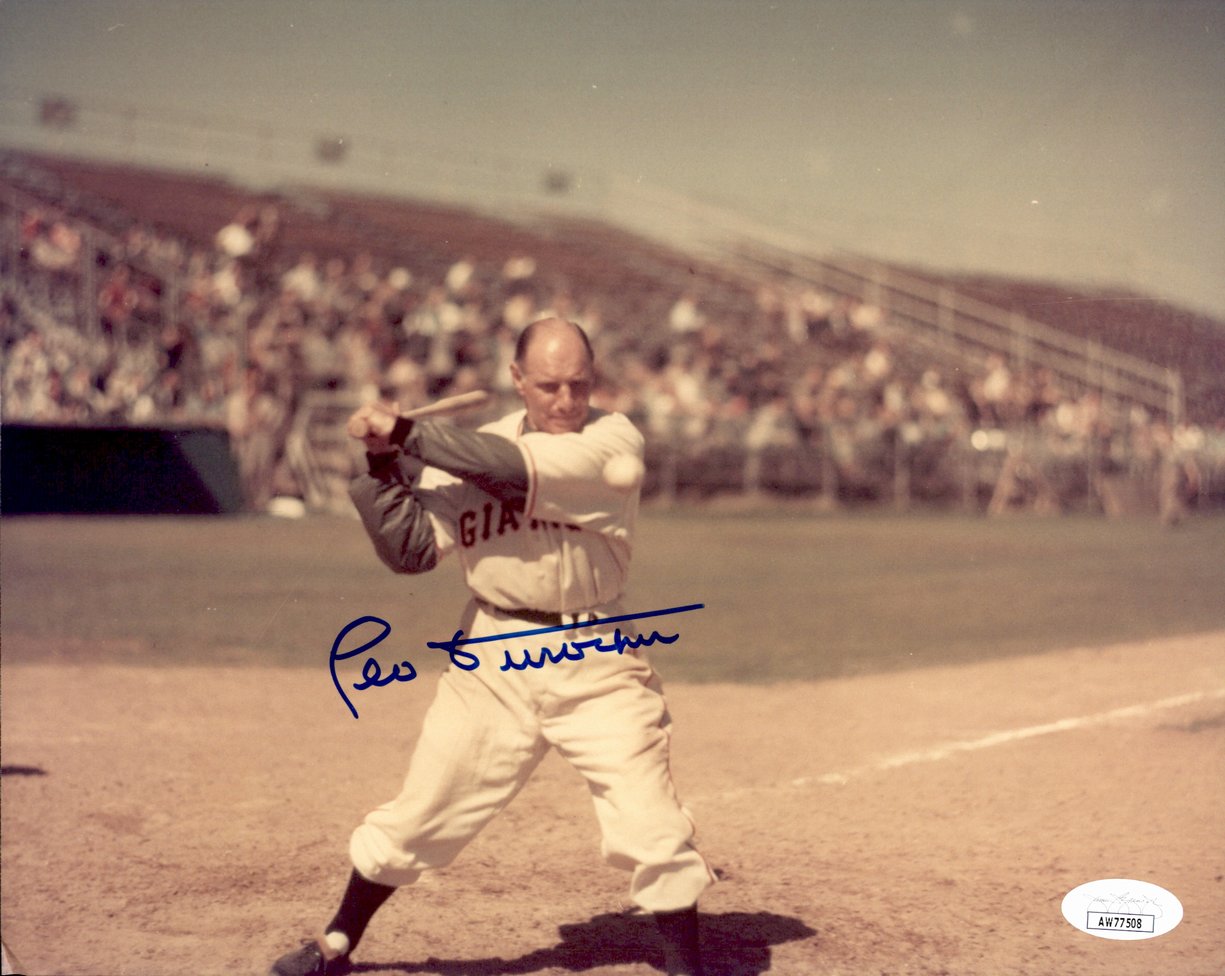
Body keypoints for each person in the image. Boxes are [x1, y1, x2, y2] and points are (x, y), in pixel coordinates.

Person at [269, 318, 715, 976]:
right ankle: (336, 943)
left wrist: (407, 433)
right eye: (548, 386)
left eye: (578, 385)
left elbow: (508, 471)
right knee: (423, 811)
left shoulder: (609, 437)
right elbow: (413, 550)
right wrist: (382, 464)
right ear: (516, 380)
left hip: (592, 653)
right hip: (492, 654)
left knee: (648, 821)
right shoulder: (473, 445)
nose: (566, 401)